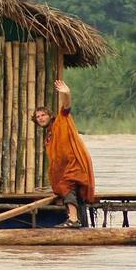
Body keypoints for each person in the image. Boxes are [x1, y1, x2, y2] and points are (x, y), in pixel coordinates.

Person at [31, 80, 96, 229]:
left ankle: (73, 219)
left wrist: (66, 93)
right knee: (65, 187)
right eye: (38, 116)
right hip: (66, 167)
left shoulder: (61, 120)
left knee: (67, 185)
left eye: (43, 115)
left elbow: (66, 106)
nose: (41, 118)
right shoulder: (49, 135)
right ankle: (75, 219)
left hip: (75, 162)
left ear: (49, 115)